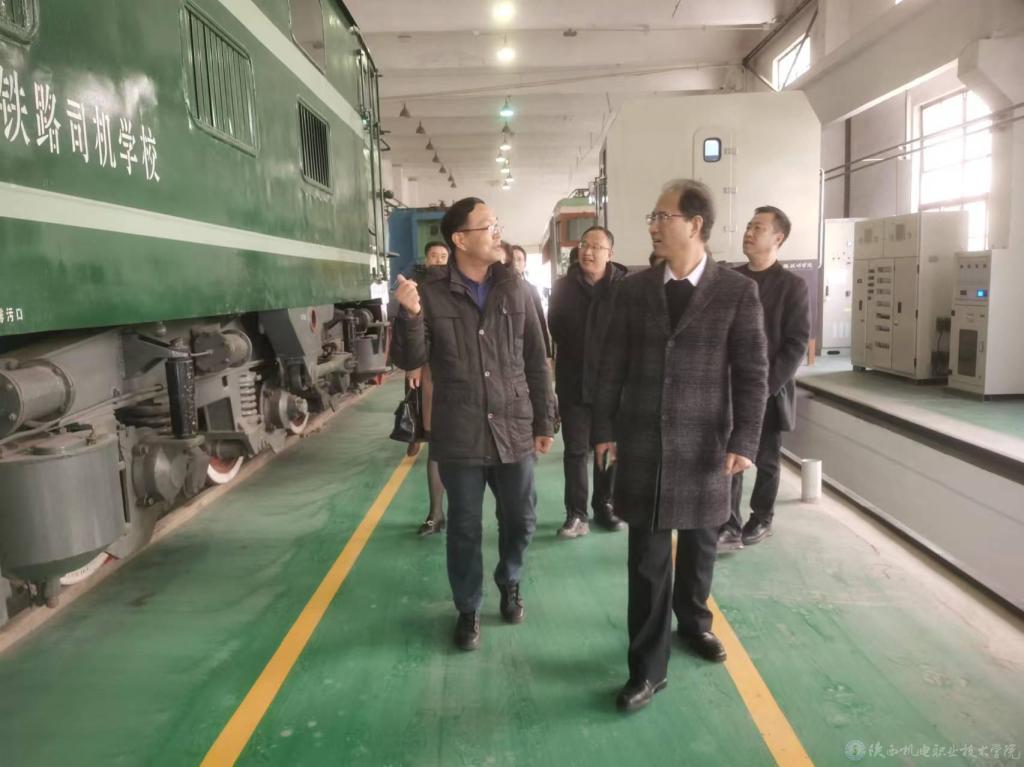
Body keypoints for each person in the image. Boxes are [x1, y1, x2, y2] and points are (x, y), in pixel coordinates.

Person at [593, 179, 768, 712]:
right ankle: (648, 669)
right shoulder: (634, 289)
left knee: (700, 546)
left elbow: (753, 373)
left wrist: (745, 438)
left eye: (662, 216)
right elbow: (612, 364)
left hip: (705, 442)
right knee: (647, 561)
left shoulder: (736, 292)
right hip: (644, 440)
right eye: (652, 216)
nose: (653, 225)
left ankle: (694, 622)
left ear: (695, 225)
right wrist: (605, 429)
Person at [392, 197, 554, 651]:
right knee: (464, 528)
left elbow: (536, 360)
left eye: (497, 224)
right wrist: (409, 316)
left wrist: (544, 419)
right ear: (461, 240)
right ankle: (468, 607)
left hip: (513, 426)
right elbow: (410, 359)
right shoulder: (430, 294)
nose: (497, 232)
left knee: (520, 518)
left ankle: (510, 579)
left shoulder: (517, 290)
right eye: (488, 226)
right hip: (460, 429)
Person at [719, 207, 810, 550]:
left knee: (767, 459)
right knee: (730, 456)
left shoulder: (792, 287)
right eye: (748, 226)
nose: (749, 233)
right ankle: (728, 523)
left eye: (758, 228)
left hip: (770, 389)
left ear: (778, 238)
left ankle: (761, 518)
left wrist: (766, 386)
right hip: (731, 386)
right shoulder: (731, 281)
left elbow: (796, 343)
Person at [548, 226, 628, 537]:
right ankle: (576, 514)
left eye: (596, 246)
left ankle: (604, 505)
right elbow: (556, 328)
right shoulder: (564, 287)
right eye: (584, 245)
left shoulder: (624, 288)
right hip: (574, 382)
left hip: (612, 385)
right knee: (575, 450)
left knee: (607, 447)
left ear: (610, 254)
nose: (588, 251)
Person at [406, 241, 451, 536]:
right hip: (432, 373)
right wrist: (415, 364)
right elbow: (413, 335)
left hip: (464, 377)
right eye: (434, 255)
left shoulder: (459, 285)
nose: (439, 260)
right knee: (436, 445)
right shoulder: (418, 289)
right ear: (426, 259)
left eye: (443, 256)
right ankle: (436, 513)